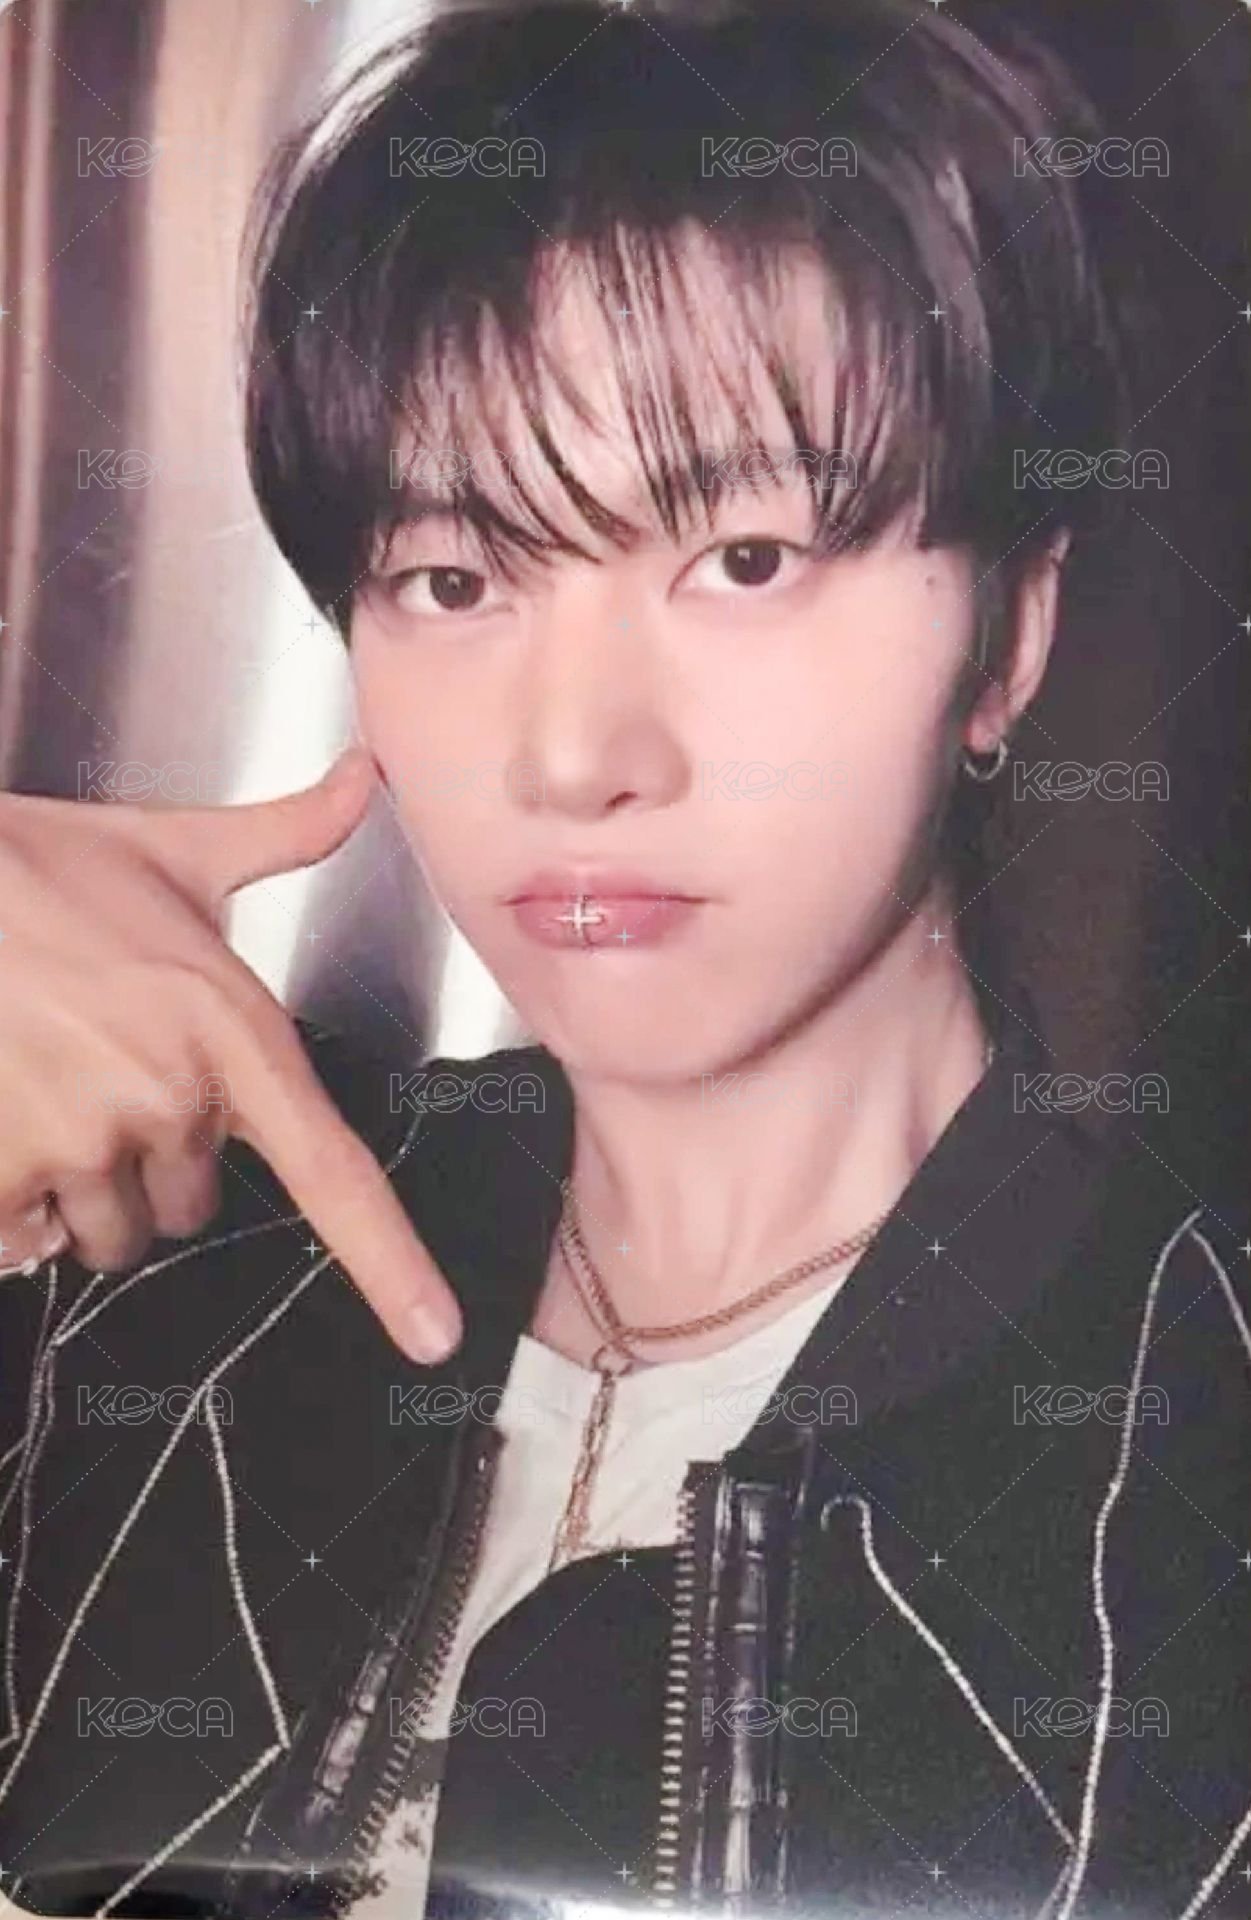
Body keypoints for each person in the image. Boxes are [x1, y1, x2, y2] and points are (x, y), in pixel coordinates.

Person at [0, 1, 1246, 1916]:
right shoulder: (140, 1298)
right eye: (455, 579)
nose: (575, 757)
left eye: (743, 559)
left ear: (1005, 637)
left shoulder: (1186, 1466)